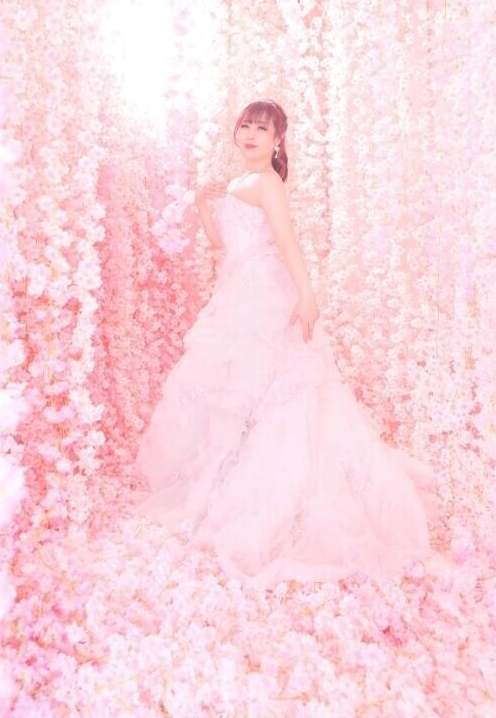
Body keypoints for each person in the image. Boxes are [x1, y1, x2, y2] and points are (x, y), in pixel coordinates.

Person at [131, 99, 455, 590]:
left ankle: (275, 493)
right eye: (245, 126)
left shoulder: (268, 183)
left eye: (262, 129)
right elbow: (221, 248)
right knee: (237, 394)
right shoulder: (238, 183)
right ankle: (226, 479)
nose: (250, 134)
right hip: (237, 295)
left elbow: (286, 243)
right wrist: (201, 205)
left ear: (277, 140)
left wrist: (307, 296)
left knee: (281, 393)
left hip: (267, 296)